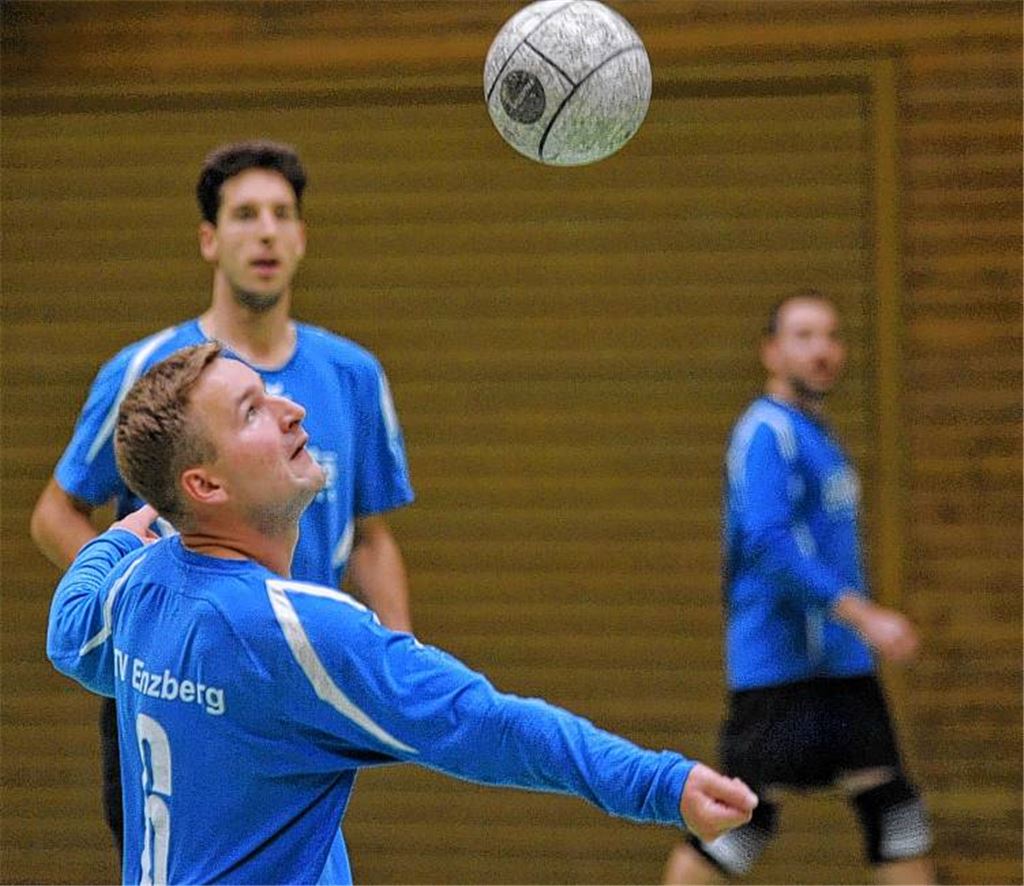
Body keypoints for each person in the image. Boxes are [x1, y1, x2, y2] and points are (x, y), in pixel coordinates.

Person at [47, 342, 759, 884]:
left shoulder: (140, 588)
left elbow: (66, 629)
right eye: (253, 411)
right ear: (203, 483)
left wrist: (119, 533)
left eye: (270, 391)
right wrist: (660, 784)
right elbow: (485, 724)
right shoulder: (298, 632)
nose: (291, 408)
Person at [29, 139, 415, 855]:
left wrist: (394, 654)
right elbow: (56, 512)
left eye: (280, 214)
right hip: (177, 692)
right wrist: (141, 613)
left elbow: (370, 537)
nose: (264, 230)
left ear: (301, 238)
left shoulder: (353, 376)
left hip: (292, 688)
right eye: (243, 215)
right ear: (210, 240)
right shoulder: (147, 372)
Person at [662, 291, 936, 885]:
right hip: (781, 671)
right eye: (804, 336)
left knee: (896, 815)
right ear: (771, 350)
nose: (823, 351)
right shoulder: (766, 433)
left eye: (832, 336)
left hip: (839, 669)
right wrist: (863, 615)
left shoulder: (819, 436)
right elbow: (769, 541)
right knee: (737, 823)